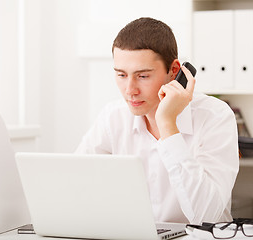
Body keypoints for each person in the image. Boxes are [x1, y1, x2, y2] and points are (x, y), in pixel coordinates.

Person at [75, 17, 239, 224]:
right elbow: (77, 186)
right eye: (122, 75)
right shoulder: (113, 117)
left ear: (174, 71)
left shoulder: (215, 116)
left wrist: (167, 124)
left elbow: (206, 216)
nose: (130, 90)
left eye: (143, 76)